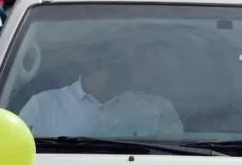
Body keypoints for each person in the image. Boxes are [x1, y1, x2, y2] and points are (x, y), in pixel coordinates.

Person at [18, 41, 183, 138]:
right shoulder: (42, 106)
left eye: (135, 61)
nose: (133, 69)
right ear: (99, 63)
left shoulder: (159, 111)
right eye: (120, 59)